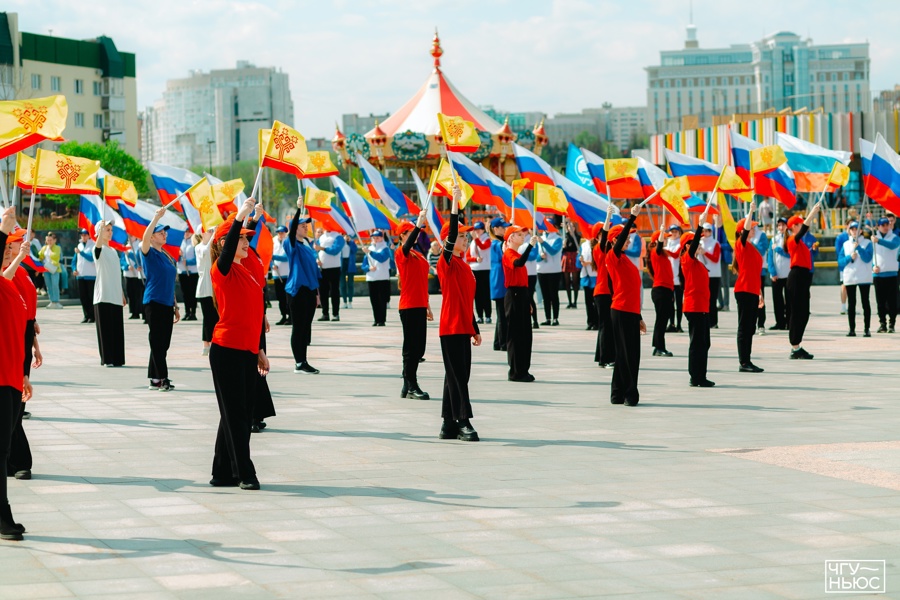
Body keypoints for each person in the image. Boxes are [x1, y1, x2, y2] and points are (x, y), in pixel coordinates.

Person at [207, 200, 268, 490]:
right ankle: (245, 473)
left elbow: (256, 314)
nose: (246, 241)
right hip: (226, 351)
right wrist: (239, 218)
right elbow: (230, 246)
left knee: (235, 412)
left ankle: (222, 472)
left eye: (247, 237)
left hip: (246, 350)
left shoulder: (249, 271)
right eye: (242, 237)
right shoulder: (222, 272)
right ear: (224, 244)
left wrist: (260, 349)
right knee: (237, 416)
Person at [436, 186, 481, 442]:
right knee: (459, 376)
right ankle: (463, 421)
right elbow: (451, 234)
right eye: (462, 237)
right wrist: (455, 203)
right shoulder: (447, 263)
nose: (466, 240)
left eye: (466, 237)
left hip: (463, 326)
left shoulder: (464, 265)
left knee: (455, 375)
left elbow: (467, 301)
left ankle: (447, 424)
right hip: (451, 327)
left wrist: (474, 327)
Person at [0, 207, 34, 540]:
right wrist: (2, 229)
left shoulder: (7, 281)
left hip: (10, 377)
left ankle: (3, 515)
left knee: (4, 451)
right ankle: (2, 517)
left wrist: (23, 374)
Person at [3, 226, 40, 483]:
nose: (11, 249)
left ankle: (14, 460)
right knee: (12, 411)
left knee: (15, 408)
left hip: (20, 339)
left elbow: (26, 314)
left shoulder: (24, 273)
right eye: (9, 245)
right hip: (7, 344)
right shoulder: (11, 272)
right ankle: (17, 461)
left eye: (13, 245)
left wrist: (34, 342)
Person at [605, 207, 646, 406]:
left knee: (624, 354)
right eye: (625, 238)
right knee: (630, 355)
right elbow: (620, 240)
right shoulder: (612, 257)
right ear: (615, 241)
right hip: (621, 310)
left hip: (629, 312)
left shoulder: (626, 260)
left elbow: (632, 290)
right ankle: (630, 393)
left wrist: (639, 316)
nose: (628, 241)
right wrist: (632, 217)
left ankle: (617, 393)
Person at [140, 210, 180, 391]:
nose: (164, 235)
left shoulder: (166, 255)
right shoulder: (148, 252)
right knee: (157, 342)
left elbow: (170, 282)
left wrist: (175, 304)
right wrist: (156, 218)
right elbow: (144, 237)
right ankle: (163, 378)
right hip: (154, 301)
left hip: (167, 303)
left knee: (163, 343)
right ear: (153, 237)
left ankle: (154, 379)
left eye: (165, 232)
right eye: (160, 232)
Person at [396, 213, 433, 400]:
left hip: (419, 304)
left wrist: (427, 305)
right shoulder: (402, 252)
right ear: (403, 235)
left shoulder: (417, 254)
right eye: (411, 232)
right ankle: (411, 384)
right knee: (412, 348)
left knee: (419, 348)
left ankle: (406, 383)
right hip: (409, 304)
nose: (416, 235)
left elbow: (422, 282)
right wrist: (418, 225)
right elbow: (408, 245)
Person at [284, 201, 321, 374]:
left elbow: (313, 270)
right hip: (297, 289)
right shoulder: (291, 244)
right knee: (298, 327)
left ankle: (304, 361)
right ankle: (299, 362)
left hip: (309, 290)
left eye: (306, 225)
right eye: (302, 225)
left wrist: (317, 293)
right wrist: (298, 208)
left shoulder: (307, 242)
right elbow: (291, 235)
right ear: (294, 228)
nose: (306, 227)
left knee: (306, 327)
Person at [681, 215, 714, 387]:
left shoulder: (697, 262)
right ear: (688, 246)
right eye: (695, 242)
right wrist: (700, 226)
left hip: (702, 306)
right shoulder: (687, 260)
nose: (699, 245)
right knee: (697, 343)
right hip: (694, 306)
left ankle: (701, 374)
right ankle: (696, 376)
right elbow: (693, 246)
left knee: (704, 342)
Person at [785, 204, 822, 359]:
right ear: (794, 227)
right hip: (796, 276)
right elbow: (802, 231)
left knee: (804, 313)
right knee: (796, 312)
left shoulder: (801, 244)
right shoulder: (793, 240)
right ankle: (794, 345)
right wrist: (812, 214)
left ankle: (797, 344)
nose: (801, 226)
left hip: (804, 278)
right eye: (799, 224)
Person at [733, 207, 766, 373]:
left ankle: (747, 360)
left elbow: (755, 272)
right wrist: (751, 211)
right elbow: (745, 230)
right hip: (744, 290)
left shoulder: (751, 247)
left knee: (750, 327)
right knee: (744, 327)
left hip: (752, 290)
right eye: (752, 227)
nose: (754, 229)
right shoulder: (741, 244)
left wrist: (759, 292)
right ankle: (744, 362)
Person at [504, 224, 537, 382]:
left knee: (525, 334)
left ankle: (523, 369)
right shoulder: (509, 254)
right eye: (518, 234)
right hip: (514, 295)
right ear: (510, 238)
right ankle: (516, 371)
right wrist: (530, 246)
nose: (522, 236)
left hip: (522, 294)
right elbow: (518, 263)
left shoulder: (515, 253)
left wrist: (528, 300)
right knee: (516, 335)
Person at [92, 221, 126, 367]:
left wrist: (122, 293)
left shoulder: (113, 251)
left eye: (111, 230)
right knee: (105, 329)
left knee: (117, 329)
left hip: (115, 295)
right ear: (99, 232)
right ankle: (107, 359)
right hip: (103, 294)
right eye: (107, 229)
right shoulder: (97, 249)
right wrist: (100, 230)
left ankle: (118, 358)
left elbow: (116, 274)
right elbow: (98, 246)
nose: (110, 232)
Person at [837, 221, 874, 337]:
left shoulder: (867, 243)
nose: (854, 231)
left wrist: (859, 249)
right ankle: (851, 329)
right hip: (850, 276)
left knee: (865, 302)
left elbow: (868, 258)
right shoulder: (845, 244)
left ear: (861, 230)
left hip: (864, 276)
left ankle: (866, 328)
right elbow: (840, 261)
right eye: (852, 229)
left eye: (856, 229)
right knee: (851, 303)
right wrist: (849, 257)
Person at [648, 227, 676, 357]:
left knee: (663, 319)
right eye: (664, 238)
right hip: (661, 290)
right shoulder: (655, 252)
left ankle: (658, 346)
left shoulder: (663, 254)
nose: (665, 240)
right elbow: (659, 246)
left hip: (666, 290)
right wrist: (661, 230)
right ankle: (659, 347)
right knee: (661, 320)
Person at [592, 222, 615, 368]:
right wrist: (607, 219)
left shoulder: (608, 249)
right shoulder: (599, 248)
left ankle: (602, 356)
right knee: (606, 326)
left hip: (607, 292)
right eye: (603, 232)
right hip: (603, 291)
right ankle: (606, 358)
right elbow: (606, 235)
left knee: (605, 326)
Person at [872, 217, 899, 333]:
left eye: (887, 224)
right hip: (878, 275)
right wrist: (873, 266)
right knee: (880, 301)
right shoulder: (873, 239)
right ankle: (882, 323)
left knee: (893, 301)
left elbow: (893, 246)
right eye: (882, 225)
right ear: (878, 226)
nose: (885, 227)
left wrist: (879, 241)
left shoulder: (895, 237)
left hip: (892, 274)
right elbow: (871, 256)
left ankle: (892, 323)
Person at [193, 230, 217, 356]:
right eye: (209, 231)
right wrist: (215, 232)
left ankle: (208, 342)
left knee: (214, 316)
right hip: (204, 287)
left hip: (213, 286)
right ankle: (208, 343)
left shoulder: (213, 247)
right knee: (208, 317)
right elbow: (207, 251)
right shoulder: (199, 247)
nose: (211, 233)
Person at [314, 227, 345, 322]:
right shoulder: (321, 237)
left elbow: (335, 251)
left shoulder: (338, 237)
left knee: (334, 291)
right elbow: (315, 251)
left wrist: (322, 248)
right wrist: (316, 259)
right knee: (323, 292)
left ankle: (335, 314)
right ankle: (325, 313)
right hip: (322, 268)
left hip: (334, 267)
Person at [488, 218, 509, 351]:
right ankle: (503, 343)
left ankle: (497, 342)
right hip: (499, 282)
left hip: (498, 281)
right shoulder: (497, 243)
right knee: (502, 315)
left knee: (501, 314)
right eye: (502, 227)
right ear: (495, 229)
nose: (504, 229)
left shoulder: (498, 242)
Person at [363, 231, 391, 326]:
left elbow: (382, 258)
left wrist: (370, 252)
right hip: (371, 277)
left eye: (377, 237)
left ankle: (382, 319)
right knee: (374, 300)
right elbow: (364, 265)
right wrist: (368, 268)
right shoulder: (369, 248)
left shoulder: (385, 248)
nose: (375, 239)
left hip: (382, 277)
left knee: (382, 300)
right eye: (374, 238)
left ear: (382, 238)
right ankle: (376, 319)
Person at [536, 226, 562, 326]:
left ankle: (555, 318)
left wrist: (543, 243)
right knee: (545, 296)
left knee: (553, 295)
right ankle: (547, 318)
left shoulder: (557, 239)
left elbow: (553, 251)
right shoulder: (540, 238)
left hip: (554, 271)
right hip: (542, 270)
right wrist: (540, 257)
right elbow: (536, 256)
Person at [467, 221, 492, 324]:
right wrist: (475, 259)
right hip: (475, 269)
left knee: (485, 293)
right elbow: (468, 256)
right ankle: (480, 315)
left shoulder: (487, 239)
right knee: (477, 294)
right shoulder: (473, 241)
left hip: (485, 269)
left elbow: (483, 247)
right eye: (475, 230)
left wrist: (475, 239)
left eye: (479, 229)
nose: (477, 231)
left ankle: (488, 315)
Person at [767, 217, 790, 330]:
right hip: (777, 274)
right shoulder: (774, 239)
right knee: (777, 299)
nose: (781, 228)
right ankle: (779, 322)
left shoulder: (790, 238)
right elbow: (770, 257)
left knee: (789, 299)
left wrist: (779, 249)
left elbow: (790, 254)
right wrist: (772, 272)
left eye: (783, 225)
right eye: (779, 225)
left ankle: (789, 321)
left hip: (788, 273)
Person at [699, 222, 722, 328]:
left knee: (712, 299)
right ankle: (705, 320)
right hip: (702, 275)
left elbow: (716, 258)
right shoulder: (699, 243)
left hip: (714, 275)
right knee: (704, 299)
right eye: (703, 230)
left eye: (707, 230)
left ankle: (714, 322)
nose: (705, 233)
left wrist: (705, 253)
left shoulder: (715, 243)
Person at [73, 228, 96, 323]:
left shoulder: (93, 245)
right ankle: (86, 315)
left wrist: (81, 252)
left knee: (91, 296)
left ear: (89, 235)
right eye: (82, 235)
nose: (83, 236)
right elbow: (74, 260)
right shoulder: (79, 246)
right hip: (80, 275)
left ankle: (92, 316)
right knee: (83, 297)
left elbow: (91, 258)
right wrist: (74, 269)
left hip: (90, 274)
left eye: (85, 235)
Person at [665, 225, 684, 332]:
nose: (674, 233)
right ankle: (671, 323)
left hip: (678, 277)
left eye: (676, 231)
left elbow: (676, 255)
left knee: (679, 303)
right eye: (672, 231)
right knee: (670, 303)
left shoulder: (680, 243)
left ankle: (679, 324)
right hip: (669, 277)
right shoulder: (667, 243)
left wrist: (664, 250)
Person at [271, 225, 291, 325]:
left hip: (287, 273)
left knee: (288, 296)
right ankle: (283, 315)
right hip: (276, 273)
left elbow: (286, 257)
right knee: (280, 297)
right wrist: (271, 265)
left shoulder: (288, 242)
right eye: (278, 232)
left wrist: (273, 256)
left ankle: (290, 316)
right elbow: (268, 254)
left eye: (282, 232)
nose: (280, 234)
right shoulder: (273, 240)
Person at [177, 230, 199, 321]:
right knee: (185, 293)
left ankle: (193, 312)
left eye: (188, 231)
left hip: (192, 272)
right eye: (185, 231)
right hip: (182, 271)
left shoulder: (194, 242)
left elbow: (197, 258)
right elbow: (176, 256)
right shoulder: (181, 242)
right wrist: (179, 256)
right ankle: (187, 312)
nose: (186, 233)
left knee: (192, 293)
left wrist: (188, 262)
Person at [579, 228, 598, 330]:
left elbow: (599, 260)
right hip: (586, 276)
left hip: (596, 276)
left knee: (596, 302)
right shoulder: (583, 245)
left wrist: (589, 263)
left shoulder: (597, 244)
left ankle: (597, 322)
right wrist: (580, 260)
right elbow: (579, 263)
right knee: (588, 301)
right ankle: (590, 321)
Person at [122, 235, 144, 320]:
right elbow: (122, 260)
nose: (130, 237)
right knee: (130, 293)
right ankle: (133, 312)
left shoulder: (139, 245)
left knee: (138, 294)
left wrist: (135, 266)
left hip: (137, 274)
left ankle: (140, 311)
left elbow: (137, 258)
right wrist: (127, 266)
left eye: (132, 235)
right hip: (128, 273)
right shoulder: (126, 246)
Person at [38, 232, 62, 309]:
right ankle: (52, 301)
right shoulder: (44, 248)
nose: (49, 242)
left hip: (54, 269)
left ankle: (56, 301)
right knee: (49, 286)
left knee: (55, 285)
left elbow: (55, 256)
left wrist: (51, 249)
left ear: (54, 240)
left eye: (51, 240)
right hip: (46, 269)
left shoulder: (57, 248)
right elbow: (40, 255)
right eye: (48, 240)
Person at [561, 220, 581, 310]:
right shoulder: (565, 237)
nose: (570, 228)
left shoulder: (577, 236)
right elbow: (564, 248)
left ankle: (575, 302)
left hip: (574, 257)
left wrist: (567, 232)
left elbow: (574, 243)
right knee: (567, 281)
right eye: (569, 227)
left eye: (572, 227)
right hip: (566, 257)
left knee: (575, 281)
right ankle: (569, 301)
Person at [715, 216, 733, 314]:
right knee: (716, 283)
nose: (718, 219)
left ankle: (726, 304)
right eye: (716, 217)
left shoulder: (726, 230)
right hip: (714, 260)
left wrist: (719, 245)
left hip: (723, 259)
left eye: (720, 217)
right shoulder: (712, 230)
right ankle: (720, 303)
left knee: (725, 283)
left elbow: (730, 245)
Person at [340, 233, 357, 310]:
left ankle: (350, 301)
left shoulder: (352, 242)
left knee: (350, 284)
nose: (346, 237)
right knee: (342, 284)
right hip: (342, 263)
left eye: (347, 235)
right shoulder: (340, 242)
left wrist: (349, 242)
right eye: (344, 235)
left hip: (350, 263)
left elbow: (355, 250)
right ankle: (344, 301)